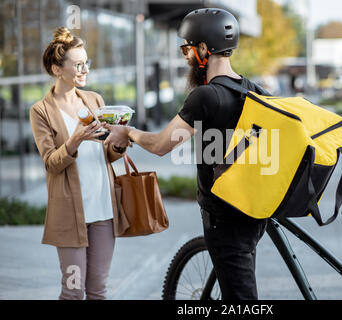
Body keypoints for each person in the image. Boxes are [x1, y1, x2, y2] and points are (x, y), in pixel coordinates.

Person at [103, 8, 267, 300]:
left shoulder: (205, 96)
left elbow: (160, 145)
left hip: (224, 217)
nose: (185, 56)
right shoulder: (254, 91)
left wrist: (128, 133)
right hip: (253, 212)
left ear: (204, 48)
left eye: (187, 48)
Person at [30, 27, 130, 300]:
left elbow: (106, 153)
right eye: (78, 65)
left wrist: (118, 144)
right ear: (57, 69)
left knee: (98, 292)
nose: (85, 69)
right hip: (70, 215)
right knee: (73, 291)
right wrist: (74, 141)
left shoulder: (94, 99)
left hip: (103, 210)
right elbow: (51, 163)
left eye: (87, 63)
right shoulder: (41, 110)